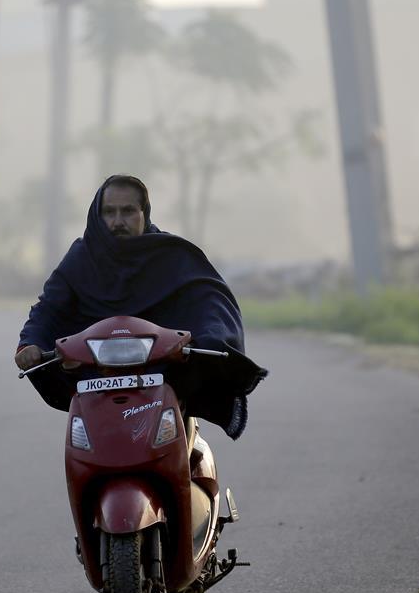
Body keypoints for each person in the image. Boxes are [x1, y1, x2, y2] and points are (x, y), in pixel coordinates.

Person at [15, 174, 267, 439]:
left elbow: (211, 301)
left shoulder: (173, 255)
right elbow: (49, 308)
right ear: (97, 216)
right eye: (109, 212)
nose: (118, 221)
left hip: (165, 380)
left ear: (144, 214)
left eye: (128, 211)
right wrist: (29, 342)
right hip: (96, 384)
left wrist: (214, 336)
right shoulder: (80, 259)